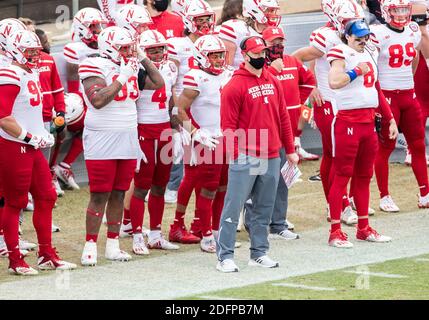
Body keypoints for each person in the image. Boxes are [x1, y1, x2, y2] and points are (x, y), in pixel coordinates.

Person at [216, 36, 298, 272]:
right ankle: (225, 255)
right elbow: (228, 126)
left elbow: (283, 116)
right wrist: (235, 156)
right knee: (234, 206)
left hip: (272, 154)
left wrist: (289, 150)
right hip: (246, 154)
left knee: (263, 207)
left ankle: (259, 252)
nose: (261, 57)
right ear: (245, 55)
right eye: (256, 53)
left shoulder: (273, 80)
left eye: (263, 52)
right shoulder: (234, 86)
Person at [0, 29, 76, 275]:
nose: (35, 56)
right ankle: (15, 259)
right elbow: (3, 117)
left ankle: (46, 254)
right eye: (29, 51)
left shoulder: (27, 71)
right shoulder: (9, 74)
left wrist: (45, 127)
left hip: (31, 146)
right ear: (12, 49)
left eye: (36, 51)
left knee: (46, 196)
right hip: (14, 146)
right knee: (16, 202)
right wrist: (31, 136)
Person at [292, 0, 366, 224]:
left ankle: (336, 202)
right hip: (330, 103)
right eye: (348, 22)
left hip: (349, 103)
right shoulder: (326, 36)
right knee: (336, 155)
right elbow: (296, 58)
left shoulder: (359, 37)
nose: (353, 25)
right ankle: (340, 204)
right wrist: (310, 85)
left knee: (339, 155)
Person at [327, 19, 398, 247]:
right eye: (358, 37)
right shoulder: (340, 52)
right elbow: (335, 81)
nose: (363, 41)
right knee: (342, 175)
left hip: (368, 122)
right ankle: (335, 231)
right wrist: (356, 71)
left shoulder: (368, 52)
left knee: (365, 176)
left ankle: (363, 228)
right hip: (347, 122)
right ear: (347, 36)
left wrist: (390, 118)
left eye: (365, 37)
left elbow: (376, 88)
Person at [79, 26, 145, 266]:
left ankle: (113, 244)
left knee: (119, 191)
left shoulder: (130, 64)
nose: (129, 51)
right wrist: (121, 77)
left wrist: (143, 59)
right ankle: (90, 244)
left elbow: (157, 83)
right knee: (99, 194)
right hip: (101, 136)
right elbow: (97, 100)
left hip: (127, 135)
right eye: (124, 47)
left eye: (130, 47)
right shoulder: (92, 65)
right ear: (110, 47)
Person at [243, 26, 316, 240]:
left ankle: (278, 224)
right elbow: (254, 87)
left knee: (282, 181)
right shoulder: (257, 66)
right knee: (257, 181)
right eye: (274, 41)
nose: (279, 45)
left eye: (281, 40)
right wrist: (273, 70)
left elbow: (309, 81)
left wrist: (298, 103)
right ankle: (254, 224)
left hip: (285, 131)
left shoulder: (292, 62)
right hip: (262, 134)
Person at [170, 35, 234, 252]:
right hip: (207, 139)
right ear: (201, 56)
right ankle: (206, 234)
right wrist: (195, 132)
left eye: (220, 55)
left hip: (225, 137)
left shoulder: (228, 74)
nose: (218, 60)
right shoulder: (195, 77)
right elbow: (179, 109)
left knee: (224, 187)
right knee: (208, 188)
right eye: (213, 55)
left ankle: (216, 231)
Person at [371, 0, 429, 211]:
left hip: (408, 94)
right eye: (397, 10)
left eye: (405, 10)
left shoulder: (413, 30)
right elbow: (371, 63)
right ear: (387, 11)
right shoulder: (377, 33)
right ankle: (384, 196)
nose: (402, 14)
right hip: (387, 96)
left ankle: (425, 193)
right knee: (385, 147)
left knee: (418, 145)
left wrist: (408, 81)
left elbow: (414, 58)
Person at [129, 29, 179, 255]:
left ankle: (156, 235)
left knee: (161, 184)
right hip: (144, 130)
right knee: (141, 187)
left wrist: (177, 127)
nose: (158, 53)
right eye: (152, 50)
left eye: (160, 49)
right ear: (143, 52)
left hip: (164, 130)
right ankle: (138, 235)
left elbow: (170, 100)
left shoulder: (171, 67)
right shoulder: (136, 70)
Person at [164, 0, 215, 207]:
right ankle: (173, 192)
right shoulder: (178, 45)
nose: (204, 24)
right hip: (185, 107)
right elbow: (171, 82)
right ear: (188, 21)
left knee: (211, 165)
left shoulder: (214, 41)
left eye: (207, 19)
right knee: (189, 161)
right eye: (199, 20)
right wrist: (176, 115)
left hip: (208, 107)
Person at [55, 8, 107, 190]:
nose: (98, 29)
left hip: (102, 94)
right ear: (82, 28)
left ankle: (63, 166)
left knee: (97, 127)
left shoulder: (104, 43)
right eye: (93, 26)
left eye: (99, 25)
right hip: (82, 97)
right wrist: (76, 99)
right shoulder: (74, 48)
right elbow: (72, 77)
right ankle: (55, 169)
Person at [0, 18, 38, 256]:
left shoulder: (16, 63)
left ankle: (12, 235)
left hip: (15, 130)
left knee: (12, 192)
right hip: (8, 132)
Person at [35, 29, 66, 199]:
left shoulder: (48, 60)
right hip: (20, 124)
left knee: (42, 167)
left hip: (46, 120)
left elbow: (57, 90)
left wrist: (61, 111)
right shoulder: (12, 64)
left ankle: (42, 199)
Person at [218, 0, 281, 69]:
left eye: (273, 11)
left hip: (266, 75)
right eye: (269, 10)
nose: (273, 15)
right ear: (254, 9)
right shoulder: (236, 29)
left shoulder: (276, 30)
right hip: (239, 76)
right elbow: (225, 68)